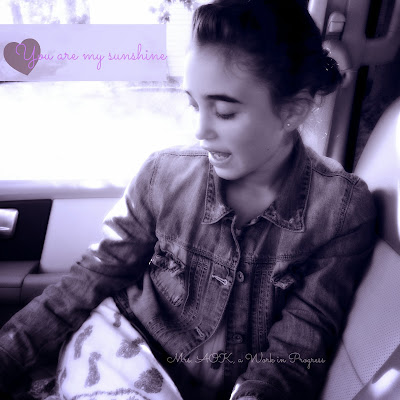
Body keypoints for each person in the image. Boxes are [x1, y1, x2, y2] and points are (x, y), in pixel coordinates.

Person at [0, 0, 376, 399]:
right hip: (119, 346)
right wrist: (7, 356)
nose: (199, 130)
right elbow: (92, 277)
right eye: (194, 104)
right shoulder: (163, 175)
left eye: (224, 112)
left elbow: (297, 349)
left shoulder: (340, 212)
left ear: (293, 112)